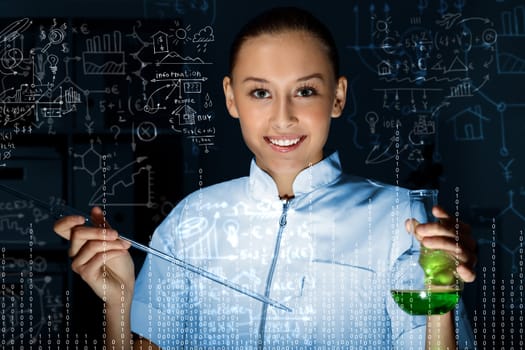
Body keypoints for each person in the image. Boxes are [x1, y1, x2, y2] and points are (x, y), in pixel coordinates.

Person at [54, 6, 478, 349]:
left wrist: (441, 292)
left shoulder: (402, 219)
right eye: (260, 92)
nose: (283, 117)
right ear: (231, 98)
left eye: (305, 91)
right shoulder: (190, 222)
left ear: (338, 96)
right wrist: (119, 301)